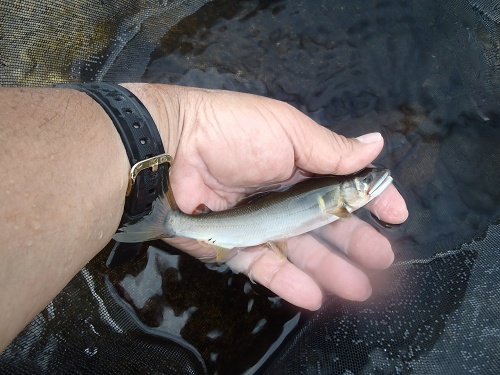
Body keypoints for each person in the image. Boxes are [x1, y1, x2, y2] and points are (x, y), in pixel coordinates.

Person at [0, 83, 408, 351]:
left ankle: (156, 214)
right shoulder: (338, 201)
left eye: (367, 180)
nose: (373, 182)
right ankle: (161, 217)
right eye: (367, 179)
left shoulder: (337, 200)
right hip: (229, 224)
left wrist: (175, 124)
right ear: (346, 192)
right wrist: (175, 126)